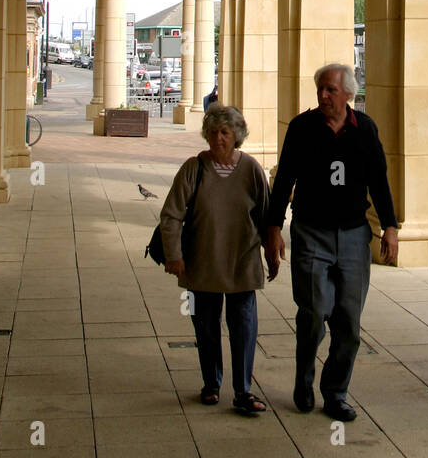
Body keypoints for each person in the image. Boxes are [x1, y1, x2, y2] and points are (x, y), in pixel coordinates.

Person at [265, 64, 399, 423]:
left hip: (355, 236)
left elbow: (379, 181)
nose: (323, 96)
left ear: (348, 94)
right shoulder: (302, 128)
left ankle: (336, 392)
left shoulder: (365, 130)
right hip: (311, 232)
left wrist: (390, 226)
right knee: (312, 313)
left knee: (349, 324)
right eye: (320, 89)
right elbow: (283, 181)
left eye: (330, 90)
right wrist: (273, 228)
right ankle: (303, 381)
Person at [161, 104, 272, 416]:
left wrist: (272, 254)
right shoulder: (194, 168)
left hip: (242, 260)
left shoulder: (251, 169)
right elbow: (171, 216)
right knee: (207, 327)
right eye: (213, 132)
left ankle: (243, 390)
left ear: (236, 135)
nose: (218, 138)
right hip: (203, 262)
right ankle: (211, 383)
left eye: (225, 132)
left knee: (244, 327)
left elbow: (266, 217)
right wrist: (174, 255)